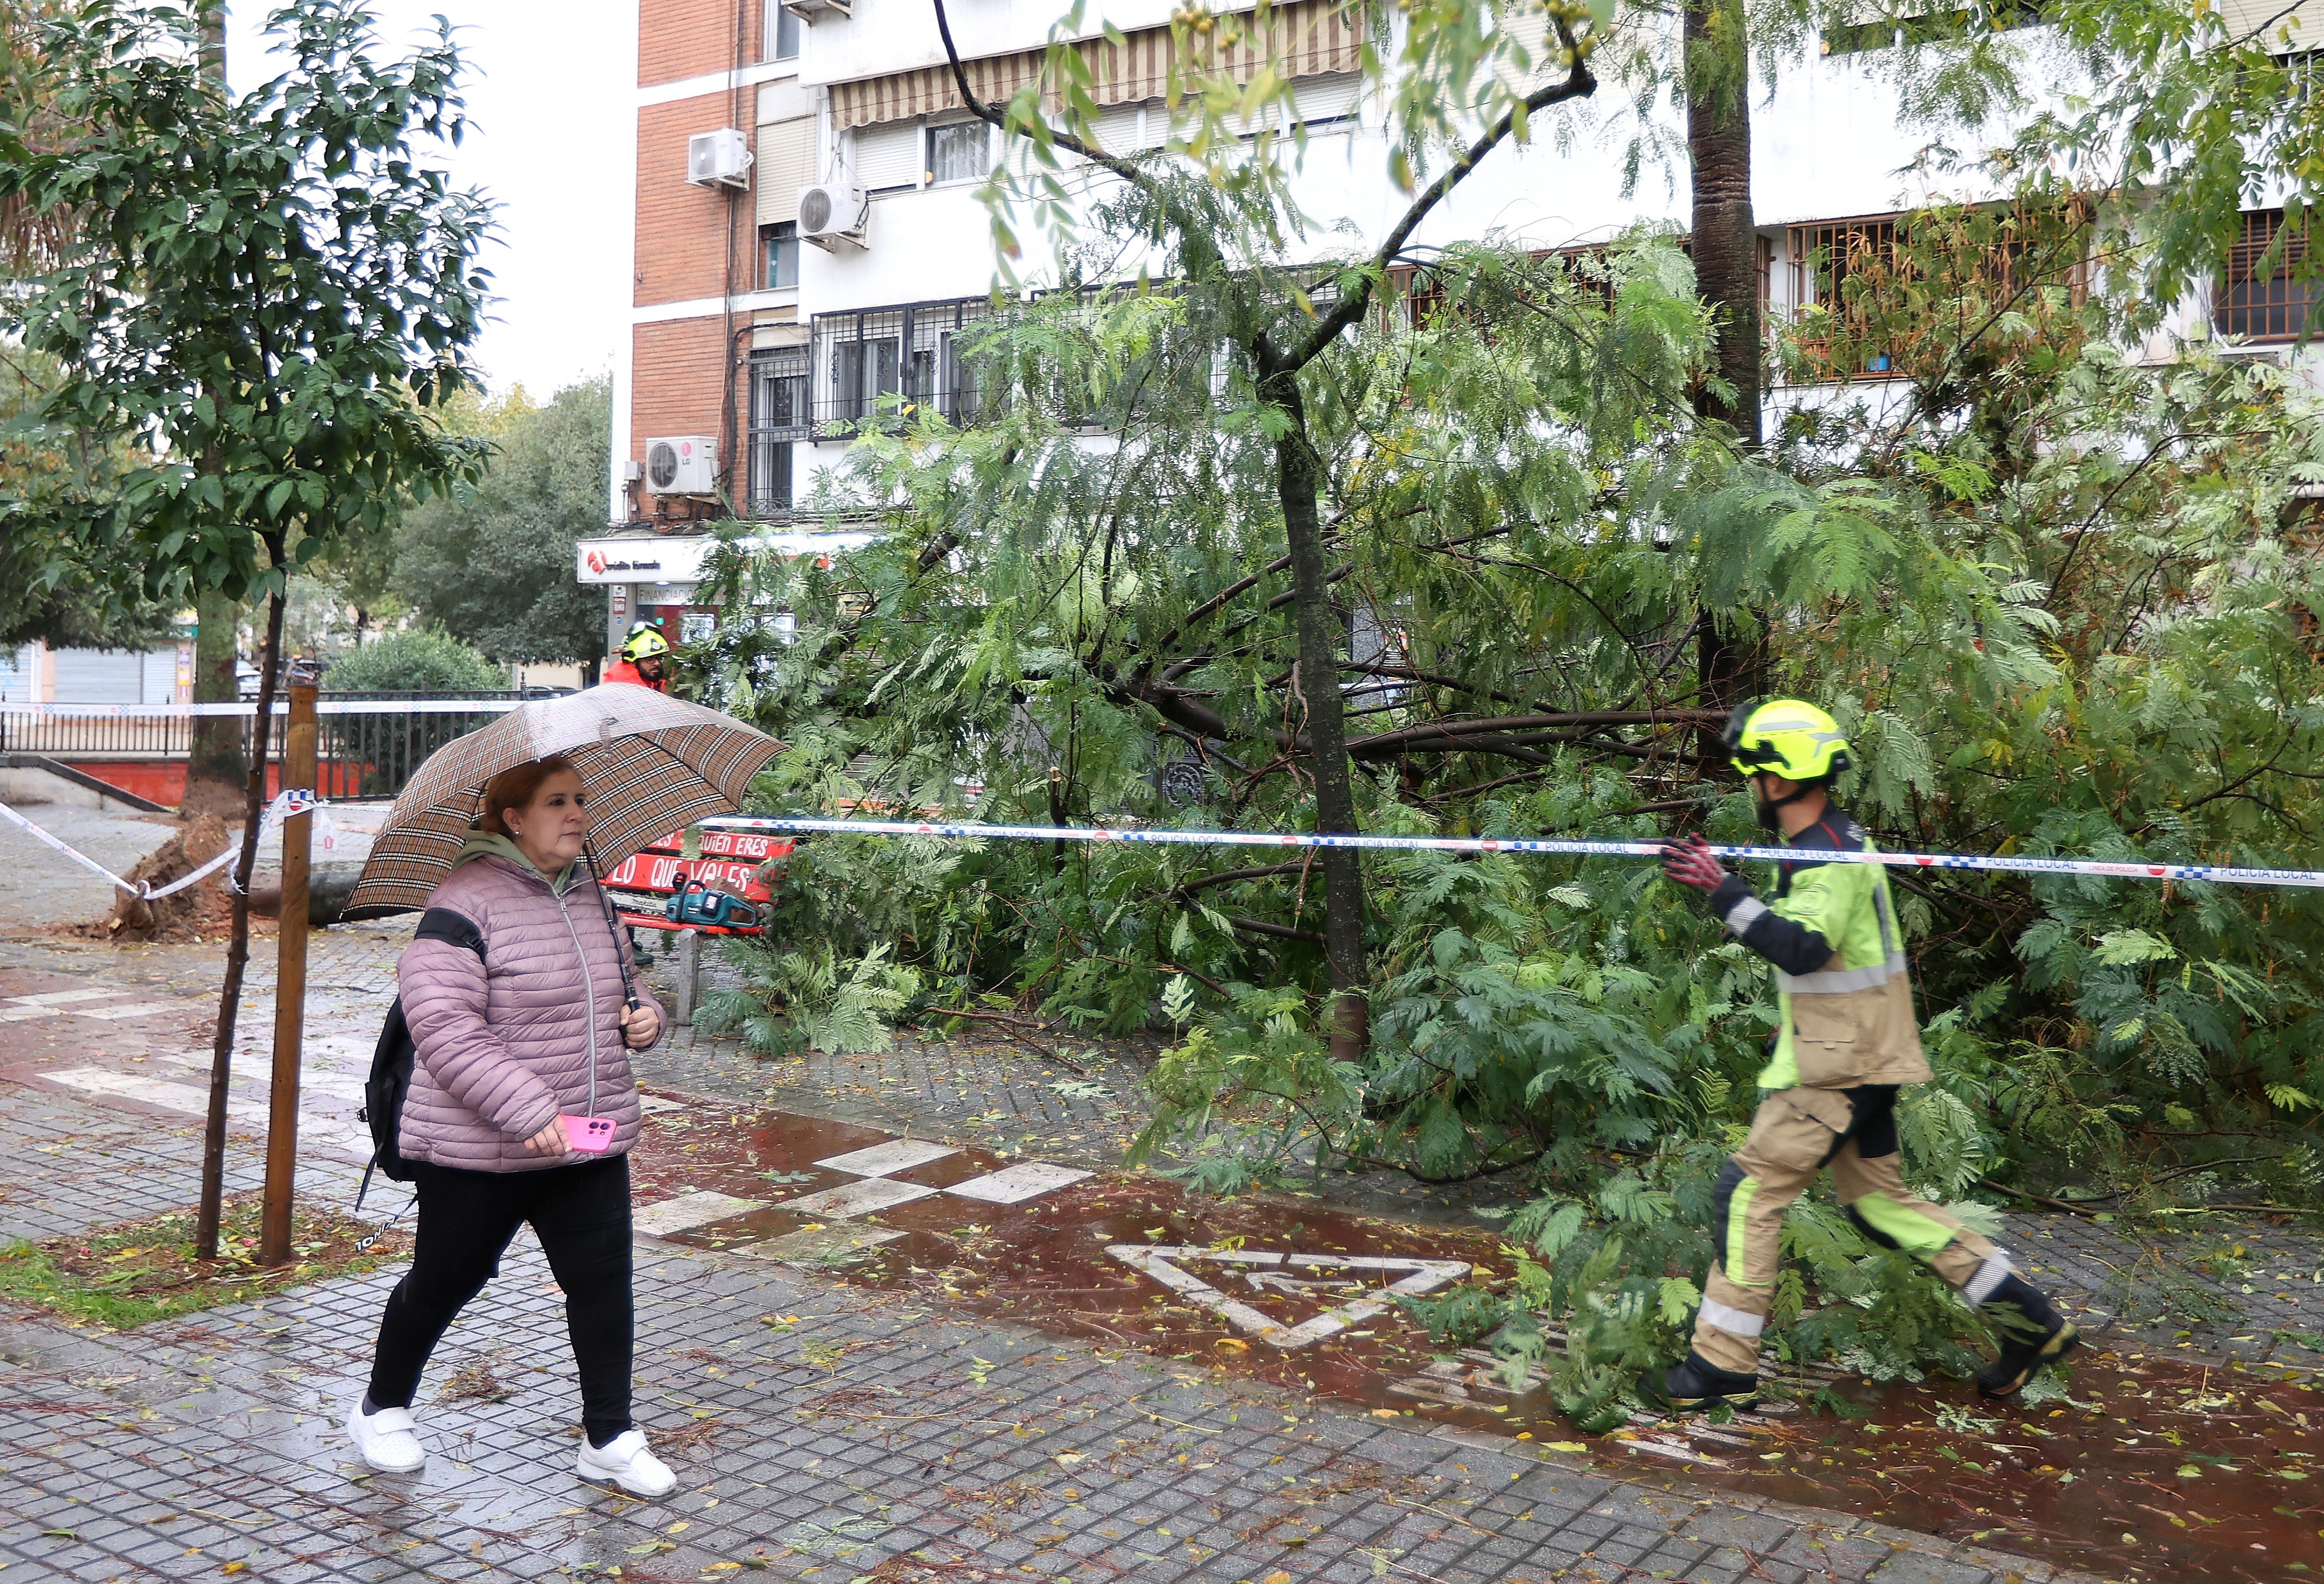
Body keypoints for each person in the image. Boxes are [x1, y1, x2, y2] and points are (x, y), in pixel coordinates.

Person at [1646, 698, 2076, 1409]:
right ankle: (2026, 1319)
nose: (1747, 785)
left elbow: (1803, 947)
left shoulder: (1825, 854)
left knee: (1745, 1193)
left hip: (1836, 1067)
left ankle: (1720, 1365)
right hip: (1865, 1056)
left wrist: (1721, 890)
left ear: (1777, 779)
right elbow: (1825, 949)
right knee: (1878, 1204)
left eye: (1750, 772)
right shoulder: (1831, 840)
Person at [346, 755, 678, 1497]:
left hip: (588, 1137)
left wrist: (645, 1019)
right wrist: (528, 1110)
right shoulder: (463, 901)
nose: (576, 814)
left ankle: (610, 1436)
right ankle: (382, 1407)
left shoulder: (592, 895)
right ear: (512, 818)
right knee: (445, 1279)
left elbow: (624, 987)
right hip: (481, 1147)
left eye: (580, 800)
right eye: (556, 802)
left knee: (602, 1282)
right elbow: (443, 1026)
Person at [604, 623, 670, 691]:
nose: (657, 663)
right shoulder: (629, 685)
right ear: (633, 662)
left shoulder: (645, 675)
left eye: (659, 658)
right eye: (650, 659)